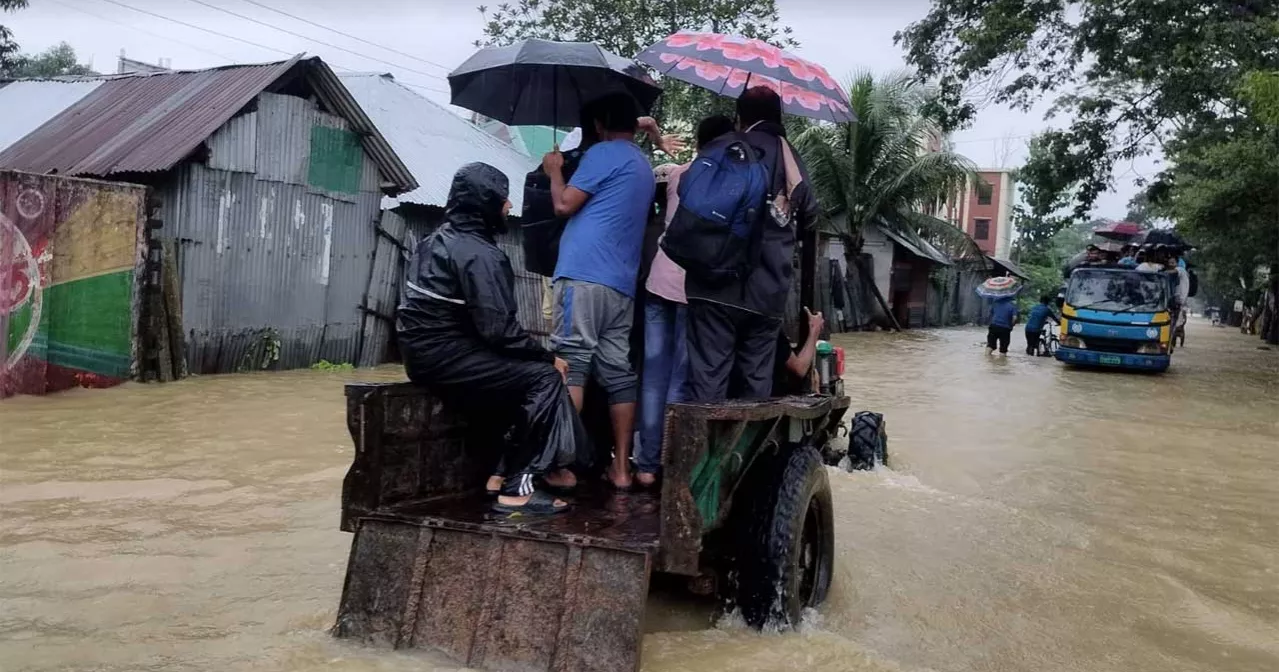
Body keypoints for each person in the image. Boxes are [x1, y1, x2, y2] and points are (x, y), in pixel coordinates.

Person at [397, 163, 580, 515]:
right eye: (503, 198)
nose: (509, 205)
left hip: (421, 357)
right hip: (446, 358)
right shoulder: (481, 254)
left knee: (519, 375)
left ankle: (499, 473)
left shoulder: (432, 241)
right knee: (544, 378)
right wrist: (548, 357)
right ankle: (517, 488)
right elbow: (500, 331)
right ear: (486, 203)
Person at [542, 92, 656, 490]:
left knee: (571, 363)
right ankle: (621, 469)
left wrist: (554, 170)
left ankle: (558, 465)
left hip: (583, 274)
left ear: (598, 125)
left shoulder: (602, 154)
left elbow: (563, 205)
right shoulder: (642, 165)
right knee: (618, 374)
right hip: (621, 285)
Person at [684, 86, 820, 402]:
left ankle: (708, 432)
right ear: (779, 116)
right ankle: (748, 434)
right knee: (755, 385)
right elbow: (810, 213)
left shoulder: (723, 147)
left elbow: (688, 192)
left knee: (708, 381)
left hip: (712, 284)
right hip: (767, 289)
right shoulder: (791, 158)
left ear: (740, 117)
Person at [636, 115, 735, 487]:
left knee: (652, 377)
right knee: (679, 379)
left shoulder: (677, 175)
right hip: (691, 290)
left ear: (697, 142)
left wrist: (655, 137)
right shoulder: (727, 183)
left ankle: (646, 466)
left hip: (658, 281)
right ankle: (668, 463)